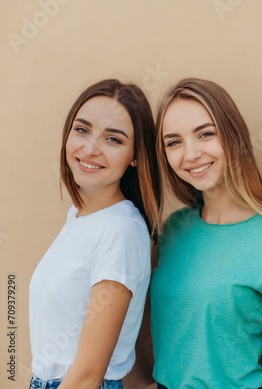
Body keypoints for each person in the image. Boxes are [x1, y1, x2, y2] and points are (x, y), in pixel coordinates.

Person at [150, 78, 262, 389]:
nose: (190, 154)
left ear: (233, 136)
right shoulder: (173, 231)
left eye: (205, 134)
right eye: (174, 142)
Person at [29, 79, 161, 389]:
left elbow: (88, 374)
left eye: (113, 139)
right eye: (82, 130)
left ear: (135, 156)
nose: (90, 148)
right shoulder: (79, 215)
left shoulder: (120, 231)